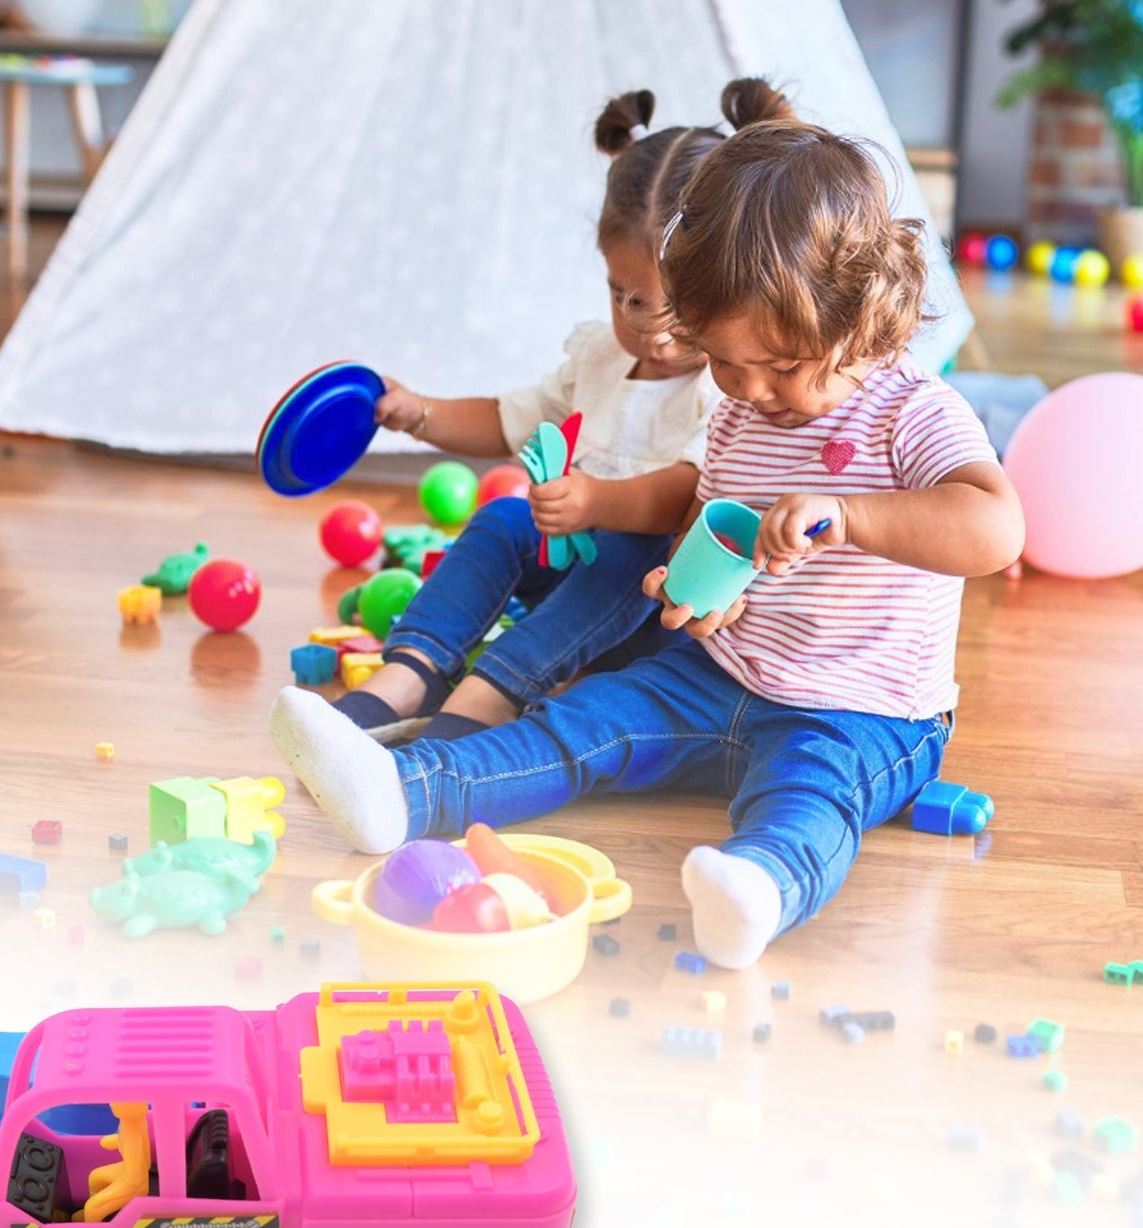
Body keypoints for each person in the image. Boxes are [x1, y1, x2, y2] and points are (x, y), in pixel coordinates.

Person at [271, 108, 1025, 970]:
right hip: (721, 674)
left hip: (866, 714)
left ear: (860, 314)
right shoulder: (740, 416)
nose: (750, 390)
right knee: (580, 723)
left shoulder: (911, 413)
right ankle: (404, 791)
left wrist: (852, 515)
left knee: (811, 794)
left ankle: (760, 886)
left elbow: (994, 528)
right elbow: (711, 526)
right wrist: (694, 593)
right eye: (725, 363)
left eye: (782, 366)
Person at [333, 85, 792, 741]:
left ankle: (490, 695)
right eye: (627, 299)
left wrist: (596, 501)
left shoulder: (727, 386)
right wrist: (420, 412)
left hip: (655, 610)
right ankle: (412, 671)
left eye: (677, 311)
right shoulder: (600, 355)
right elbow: (512, 418)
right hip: (567, 594)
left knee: (631, 549)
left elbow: (687, 491)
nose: (652, 333)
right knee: (503, 518)